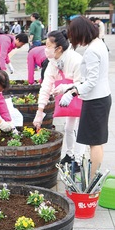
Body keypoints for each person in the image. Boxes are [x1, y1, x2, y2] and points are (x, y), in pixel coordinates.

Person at [60, 15, 111, 178]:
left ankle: (92, 179)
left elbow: (91, 82)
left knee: (94, 143)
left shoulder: (92, 50)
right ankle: (93, 175)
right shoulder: (99, 44)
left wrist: (72, 93)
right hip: (101, 98)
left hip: (95, 101)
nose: (76, 41)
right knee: (97, 141)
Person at [33, 30, 86, 171]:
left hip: (81, 97)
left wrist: (65, 88)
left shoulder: (76, 60)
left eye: (48, 46)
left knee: (80, 129)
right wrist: (40, 110)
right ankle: (69, 154)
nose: (45, 49)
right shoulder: (53, 62)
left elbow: (82, 83)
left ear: (59, 48)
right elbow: (46, 86)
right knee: (68, 127)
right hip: (68, 100)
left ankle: (79, 160)